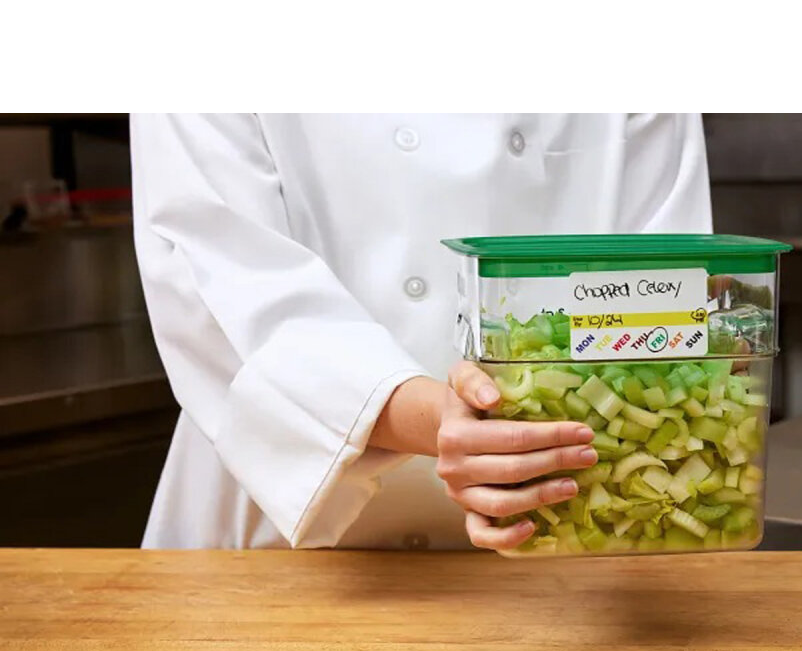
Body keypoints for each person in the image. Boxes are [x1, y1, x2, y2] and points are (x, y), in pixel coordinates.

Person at [130, 114, 712, 551]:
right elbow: (219, 274)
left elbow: (664, 287)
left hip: (573, 538)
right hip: (282, 547)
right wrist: (442, 421)